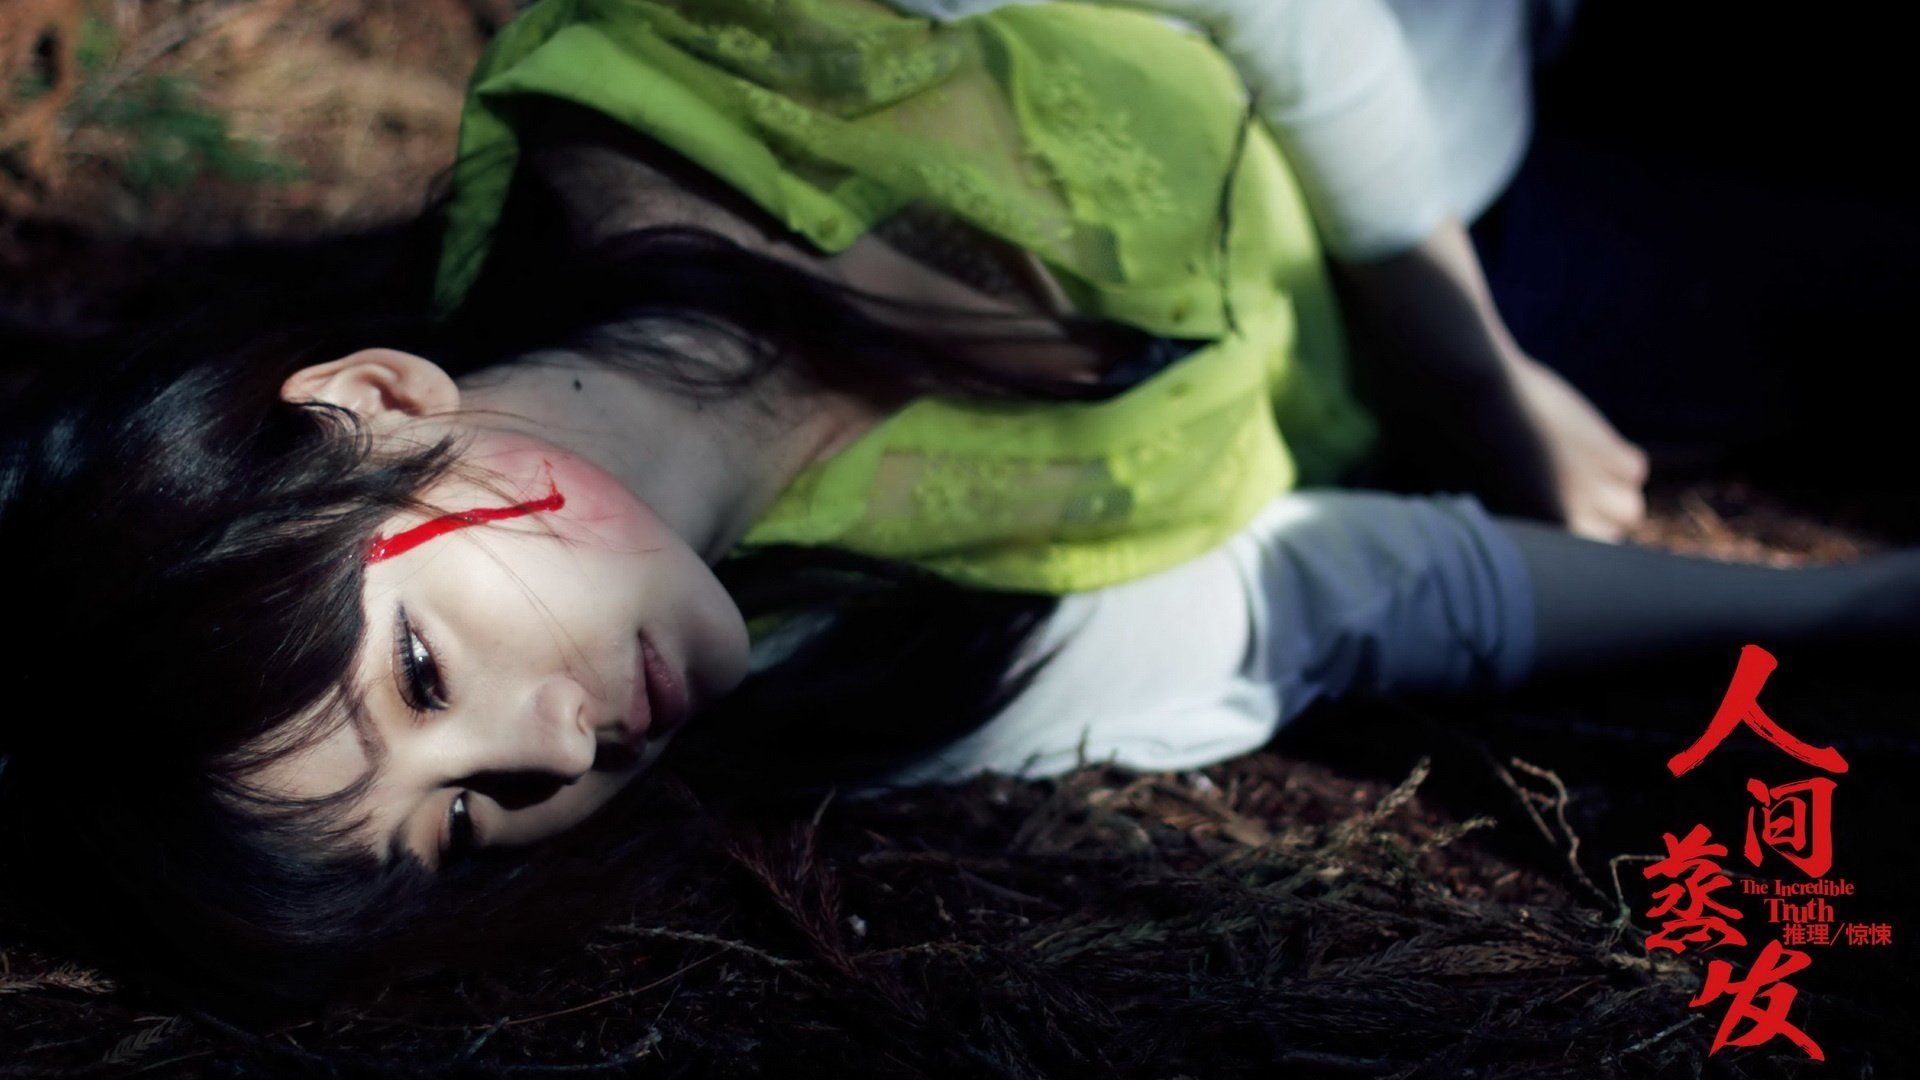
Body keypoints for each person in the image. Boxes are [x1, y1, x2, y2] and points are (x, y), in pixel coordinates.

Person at [0, 0, 1905, 1017]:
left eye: (421, 675)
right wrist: (1839, 610)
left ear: (375, 410)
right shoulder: (867, 675)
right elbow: (1348, 598)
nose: (557, 752)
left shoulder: (691, 56)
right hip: (1551, 242)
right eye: (462, 825)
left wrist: (1474, 376)